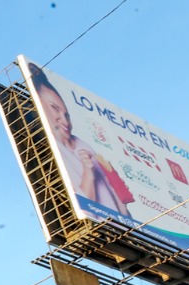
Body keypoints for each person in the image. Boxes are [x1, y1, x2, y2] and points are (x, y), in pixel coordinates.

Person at [28, 63, 130, 215]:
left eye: (67, 115)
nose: (65, 121)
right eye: (55, 108)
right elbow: (86, 211)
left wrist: (129, 221)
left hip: (122, 228)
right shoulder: (49, 150)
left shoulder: (82, 143)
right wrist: (88, 174)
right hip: (101, 229)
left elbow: (113, 191)